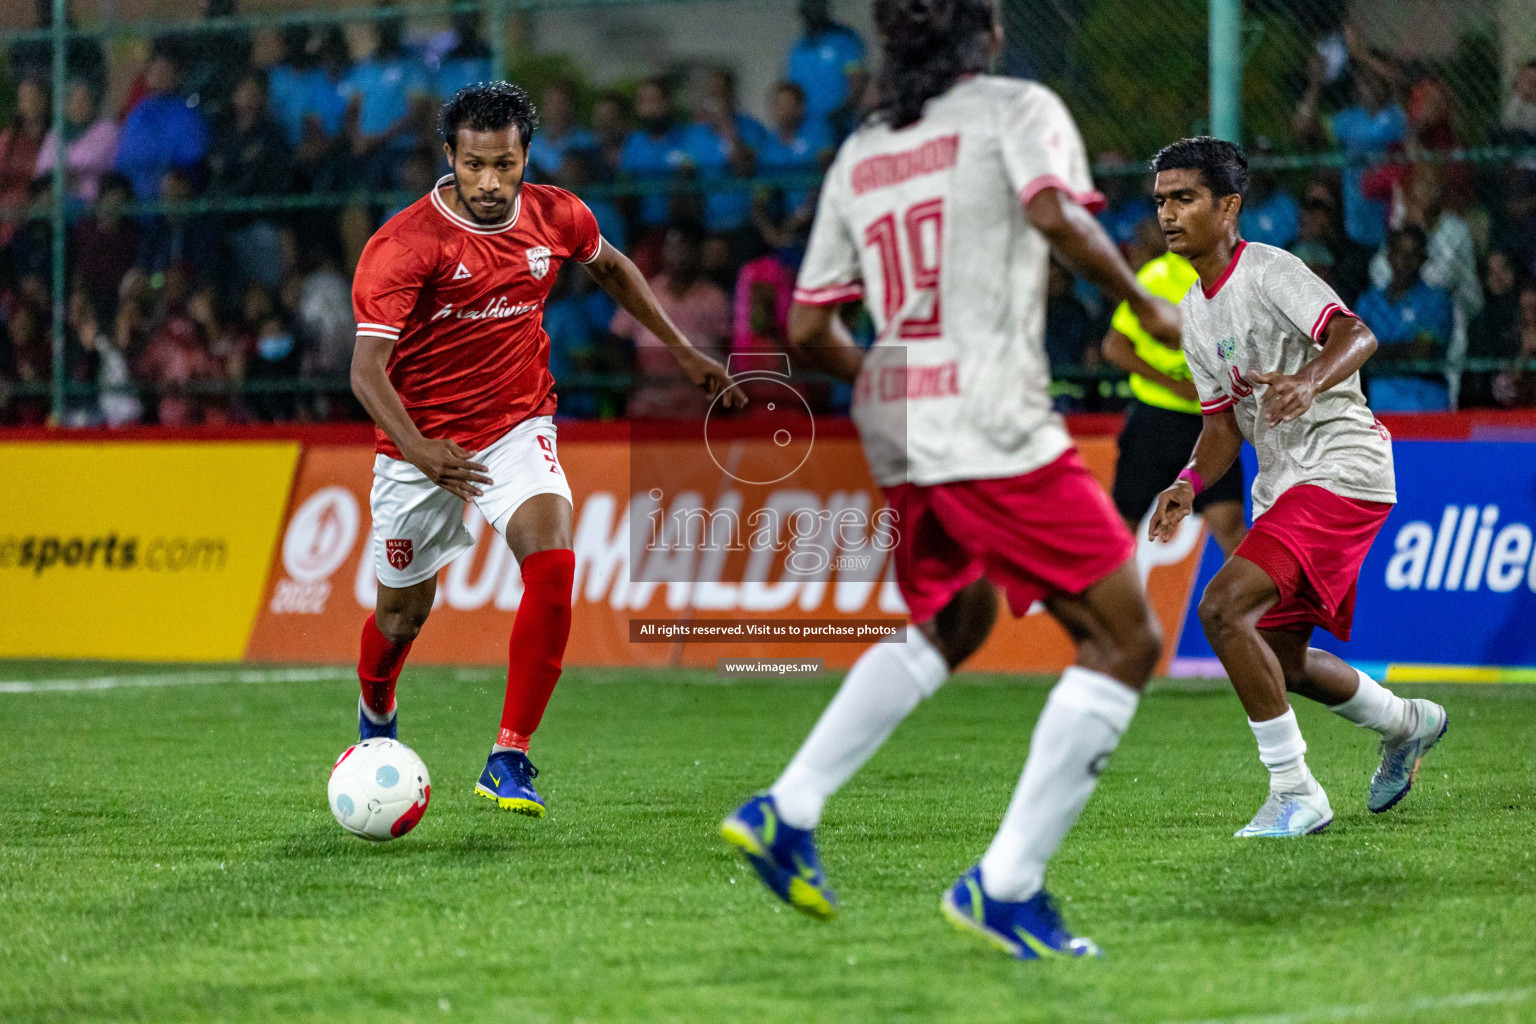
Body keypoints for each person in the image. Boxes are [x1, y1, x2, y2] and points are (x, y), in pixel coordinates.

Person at [721, 0, 1178, 959]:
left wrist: (890, 379)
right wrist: (1144, 303)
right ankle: (1007, 885)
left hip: (899, 427)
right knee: (1129, 638)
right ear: (990, 36)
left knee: (957, 618)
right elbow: (1053, 212)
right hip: (992, 424)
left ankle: (788, 809)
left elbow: (807, 330)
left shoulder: (860, 152)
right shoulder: (1019, 109)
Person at [348, 82, 735, 817]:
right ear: (448, 159)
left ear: (526, 154)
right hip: (417, 442)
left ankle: (510, 756)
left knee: (555, 562)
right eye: (472, 166)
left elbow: (613, 267)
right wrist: (419, 447)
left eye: (504, 164)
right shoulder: (403, 246)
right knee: (400, 618)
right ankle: (375, 713)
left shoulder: (558, 215)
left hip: (518, 424)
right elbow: (365, 372)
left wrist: (681, 350)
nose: (489, 183)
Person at [1146, 137, 1446, 840]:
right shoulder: (1195, 310)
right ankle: (1409, 723)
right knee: (1282, 661)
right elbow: (1221, 425)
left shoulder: (1272, 272)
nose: (1168, 213)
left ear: (1228, 207)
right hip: (1285, 486)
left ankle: (1296, 791)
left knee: (1221, 610)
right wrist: (1188, 481)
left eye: (1184, 198)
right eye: (1161, 199)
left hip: (1340, 469)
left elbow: (1358, 333)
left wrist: (1309, 380)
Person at [1102, 234, 1247, 556]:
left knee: (1230, 524)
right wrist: (1173, 384)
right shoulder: (1155, 278)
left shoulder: (1233, 276)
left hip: (1212, 422)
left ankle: (1247, 606)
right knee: (1123, 528)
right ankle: (1110, 604)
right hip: (1156, 419)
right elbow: (1114, 347)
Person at [608, 219, 730, 418]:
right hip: (650, 400)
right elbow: (614, 340)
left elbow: (725, 347)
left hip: (698, 403)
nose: (678, 254)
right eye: (672, 247)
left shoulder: (714, 297)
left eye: (685, 247)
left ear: (698, 252)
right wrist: (630, 381)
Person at [1356, 226, 1454, 410]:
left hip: (1426, 398)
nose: (1405, 261)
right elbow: (1357, 354)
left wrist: (1377, 350)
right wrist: (1405, 348)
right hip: (1380, 399)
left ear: (1424, 259)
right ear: (1388, 256)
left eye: (1414, 254)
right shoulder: (1369, 301)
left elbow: (1423, 352)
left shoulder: (1436, 300)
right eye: (1400, 253)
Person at [113, 46, 210, 210]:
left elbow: (191, 158)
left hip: (170, 195)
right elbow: (124, 156)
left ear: (178, 76)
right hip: (132, 192)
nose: (158, 75)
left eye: (165, 70)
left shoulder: (187, 114)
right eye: (154, 70)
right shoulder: (139, 111)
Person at [618, 78, 694, 233]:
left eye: (654, 100)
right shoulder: (633, 142)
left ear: (668, 103)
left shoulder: (686, 138)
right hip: (641, 226)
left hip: (679, 226)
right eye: (644, 101)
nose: (650, 107)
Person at [785, 0, 869, 141]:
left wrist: (844, 111)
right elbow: (792, 90)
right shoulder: (798, 47)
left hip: (840, 126)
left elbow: (857, 80)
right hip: (808, 130)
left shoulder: (844, 40)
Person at [34, 79, 120, 201]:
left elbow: (92, 160)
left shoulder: (107, 130)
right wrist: (64, 175)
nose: (78, 105)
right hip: (54, 195)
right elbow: (42, 167)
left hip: (92, 197)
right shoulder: (55, 133)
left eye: (84, 100)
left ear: (94, 104)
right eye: (73, 100)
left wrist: (65, 173)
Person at [526, 81, 596, 182]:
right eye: (550, 103)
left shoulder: (586, 141)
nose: (555, 109)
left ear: (571, 107)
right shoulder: (532, 143)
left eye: (560, 103)